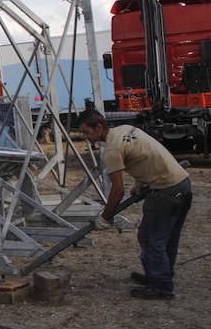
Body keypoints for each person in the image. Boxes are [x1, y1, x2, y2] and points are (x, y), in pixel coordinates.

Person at [79, 111, 193, 299]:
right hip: (182, 184)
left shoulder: (112, 150)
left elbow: (117, 191)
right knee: (167, 238)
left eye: (86, 132)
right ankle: (160, 276)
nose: (85, 137)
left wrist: (105, 218)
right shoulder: (124, 130)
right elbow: (146, 155)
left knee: (150, 238)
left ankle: (161, 288)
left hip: (166, 191)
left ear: (99, 127)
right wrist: (140, 184)